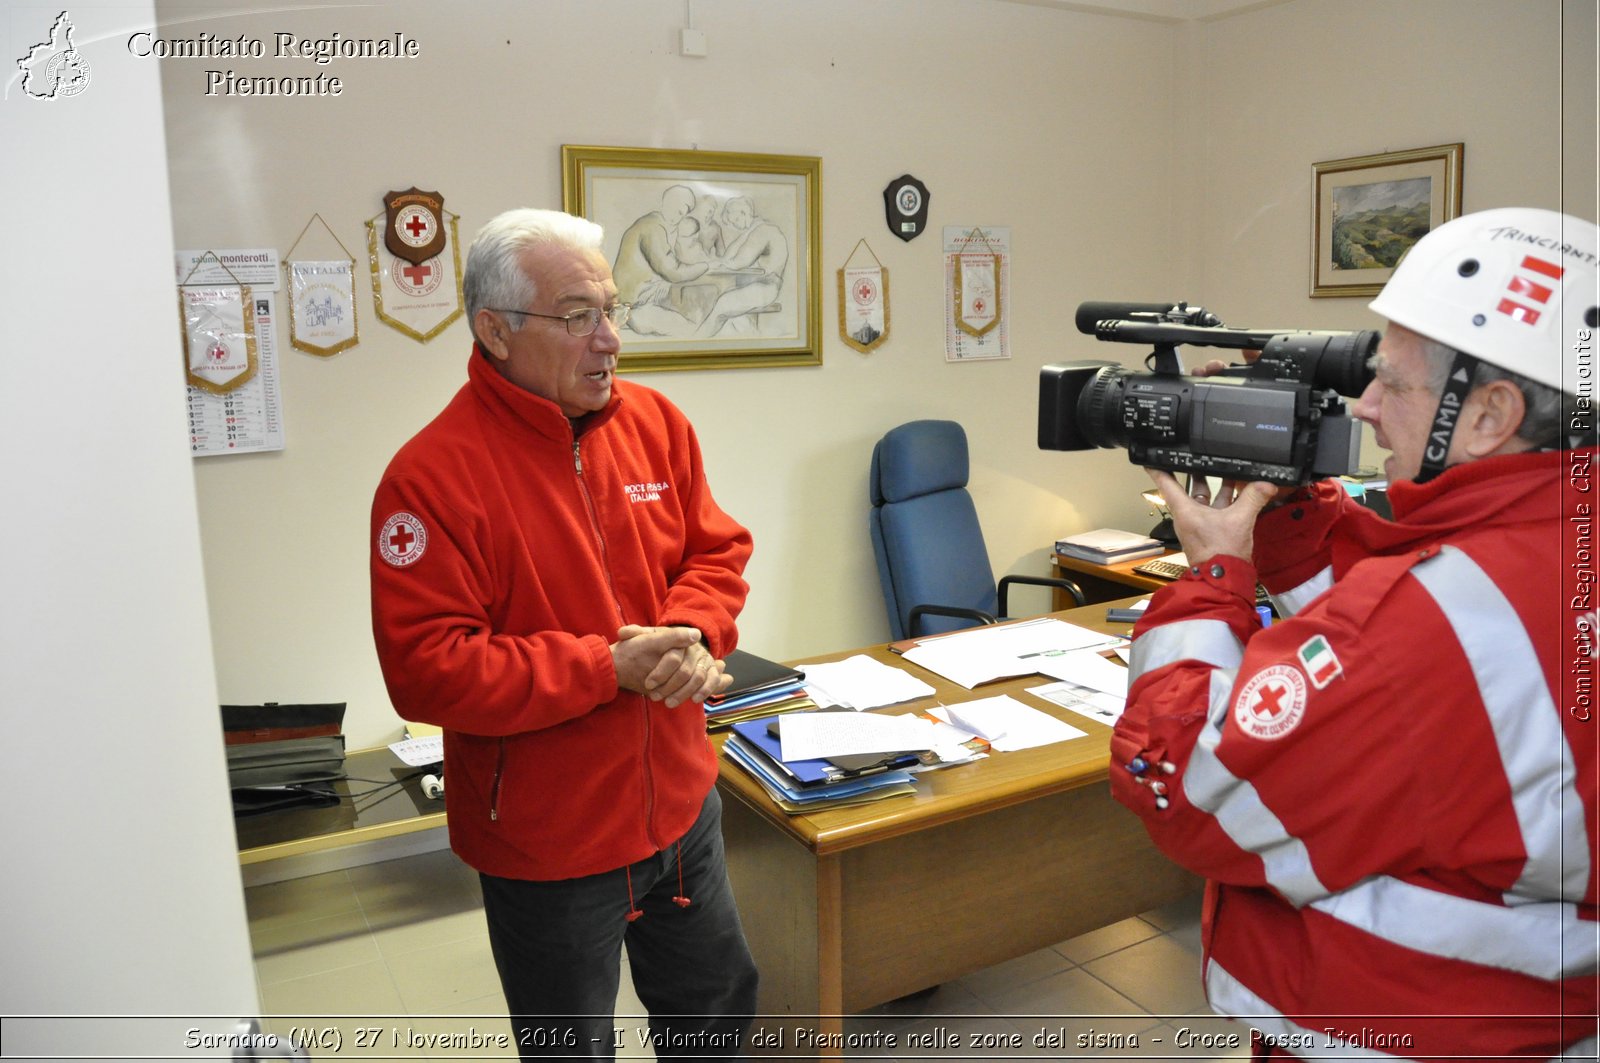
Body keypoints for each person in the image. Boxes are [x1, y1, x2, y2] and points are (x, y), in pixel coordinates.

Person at [1110, 208, 1598, 1059]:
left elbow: (1186, 787)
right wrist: (1292, 499)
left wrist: (1208, 580)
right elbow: (1409, 625)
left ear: (1489, 413)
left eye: (1396, 383)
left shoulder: (1432, 623)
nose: (1366, 405)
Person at [370, 207, 759, 1059]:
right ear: (495, 331)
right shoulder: (430, 477)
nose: (610, 339)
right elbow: (428, 669)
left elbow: (716, 550)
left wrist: (691, 629)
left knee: (719, 1014)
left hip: (682, 807)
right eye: (577, 315)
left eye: (612, 310)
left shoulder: (657, 422)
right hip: (548, 841)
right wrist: (604, 667)